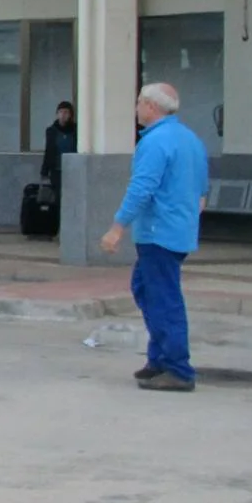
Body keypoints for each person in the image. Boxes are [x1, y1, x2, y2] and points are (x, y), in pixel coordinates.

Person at [101, 83, 209, 393]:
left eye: (138, 102)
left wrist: (117, 226)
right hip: (176, 231)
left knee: (163, 298)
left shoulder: (155, 142)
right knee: (146, 289)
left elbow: (141, 188)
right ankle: (159, 360)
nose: (136, 108)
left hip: (158, 233)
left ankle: (177, 368)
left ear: (151, 106)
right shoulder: (190, 139)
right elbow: (202, 190)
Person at [41, 100, 77, 193]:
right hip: (56, 170)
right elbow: (48, 151)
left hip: (73, 170)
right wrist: (44, 172)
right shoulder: (51, 131)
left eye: (66, 112)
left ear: (70, 115)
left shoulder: (76, 130)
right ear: (57, 114)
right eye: (60, 112)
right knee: (57, 197)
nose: (63, 115)